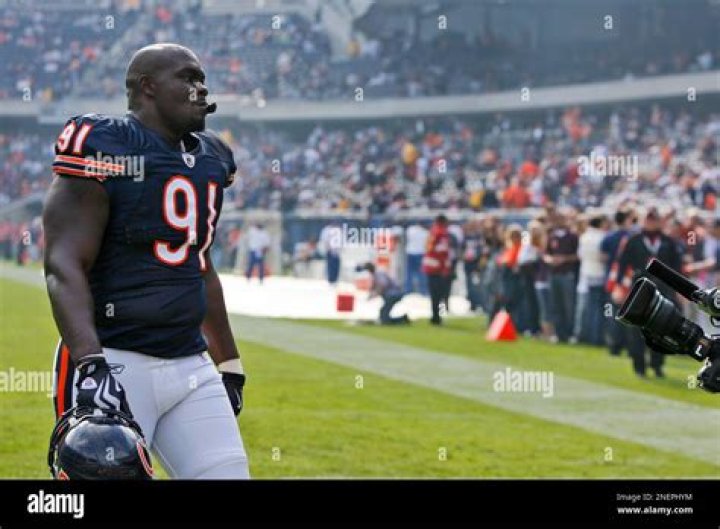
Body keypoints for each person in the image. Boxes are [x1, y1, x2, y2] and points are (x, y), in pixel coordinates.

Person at [43, 44, 249, 479]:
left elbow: (201, 265)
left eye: (202, 79)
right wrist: (91, 364)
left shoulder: (211, 158)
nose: (201, 88)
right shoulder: (105, 144)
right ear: (148, 87)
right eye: (188, 78)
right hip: (115, 360)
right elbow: (64, 262)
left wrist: (229, 363)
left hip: (191, 364)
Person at [613, 207, 683, 378]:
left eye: (654, 219)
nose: (651, 222)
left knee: (661, 327)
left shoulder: (669, 241)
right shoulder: (633, 240)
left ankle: (657, 365)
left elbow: (677, 267)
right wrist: (618, 286)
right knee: (636, 329)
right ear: (643, 220)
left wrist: (679, 290)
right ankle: (639, 367)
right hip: (639, 288)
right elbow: (622, 265)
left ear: (659, 221)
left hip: (663, 288)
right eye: (648, 219)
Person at [601, 209, 637, 356]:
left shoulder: (609, 237)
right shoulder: (632, 237)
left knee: (611, 314)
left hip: (612, 279)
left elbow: (603, 256)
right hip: (626, 280)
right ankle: (627, 346)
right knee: (627, 315)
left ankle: (614, 345)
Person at [544, 210, 579, 343]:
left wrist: (564, 259)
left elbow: (578, 256)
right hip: (554, 273)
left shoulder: (573, 237)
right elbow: (546, 253)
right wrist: (550, 259)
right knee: (556, 305)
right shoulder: (552, 236)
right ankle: (559, 333)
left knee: (569, 305)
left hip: (567, 274)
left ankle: (570, 333)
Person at [576, 215, 609, 345]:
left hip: (586, 274)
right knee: (603, 308)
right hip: (600, 274)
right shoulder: (603, 237)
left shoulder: (584, 237)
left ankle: (588, 335)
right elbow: (603, 257)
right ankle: (598, 337)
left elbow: (580, 255)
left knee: (590, 308)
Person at [422, 214, 451, 325]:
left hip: (430, 266)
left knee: (434, 294)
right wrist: (445, 267)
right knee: (438, 294)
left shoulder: (433, 232)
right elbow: (442, 251)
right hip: (437, 267)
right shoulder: (441, 233)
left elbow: (428, 248)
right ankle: (436, 317)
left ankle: (435, 316)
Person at [404, 221, 428, 295]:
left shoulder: (410, 230)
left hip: (411, 252)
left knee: (409, 273)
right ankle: (423, 290)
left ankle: (408, 290)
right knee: (421, 273)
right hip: (420, 253)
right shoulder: (425, 232)